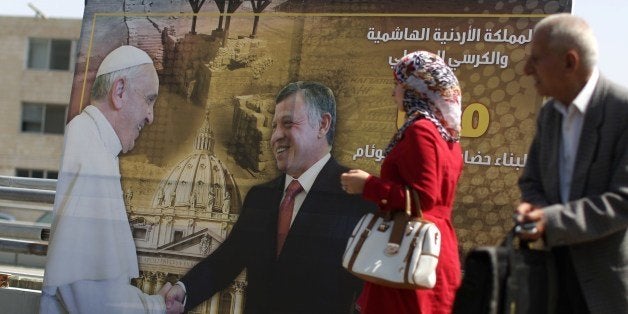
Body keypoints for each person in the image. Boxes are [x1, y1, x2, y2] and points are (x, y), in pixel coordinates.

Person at [164, 81, 376, 313]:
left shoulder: (356, 199)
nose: (275, 136)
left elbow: (370, 292)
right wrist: (184, 291)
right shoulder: (260, 197)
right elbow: (227, 260)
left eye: (288, 123)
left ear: (323, 125)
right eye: (274, 126)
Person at [40, 45, 181, 313]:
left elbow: (101, 286)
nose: (151, 117)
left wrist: (152, 303)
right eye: (149, 100)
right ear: (119, 92)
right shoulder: (91, 157)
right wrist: (157, 309)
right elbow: (94, 302)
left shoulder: (89, 141)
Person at [515, 13, 628, 314]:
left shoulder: (622, 112)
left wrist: (549, 220)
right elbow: (531, 181)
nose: (527, 70)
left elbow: (623, 201)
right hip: (551, 273)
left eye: (536, 59)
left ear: (569, 62)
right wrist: (533, 208)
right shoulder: (549, 115)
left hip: (604, 286)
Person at [340, 51, 463, 314]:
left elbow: (424, 197)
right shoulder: (447, 137)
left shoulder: (422, 131)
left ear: (413, 89)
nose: (393, 93)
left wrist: (368, 186)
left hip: (409, 251)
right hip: (426, 249)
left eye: (397, 85)